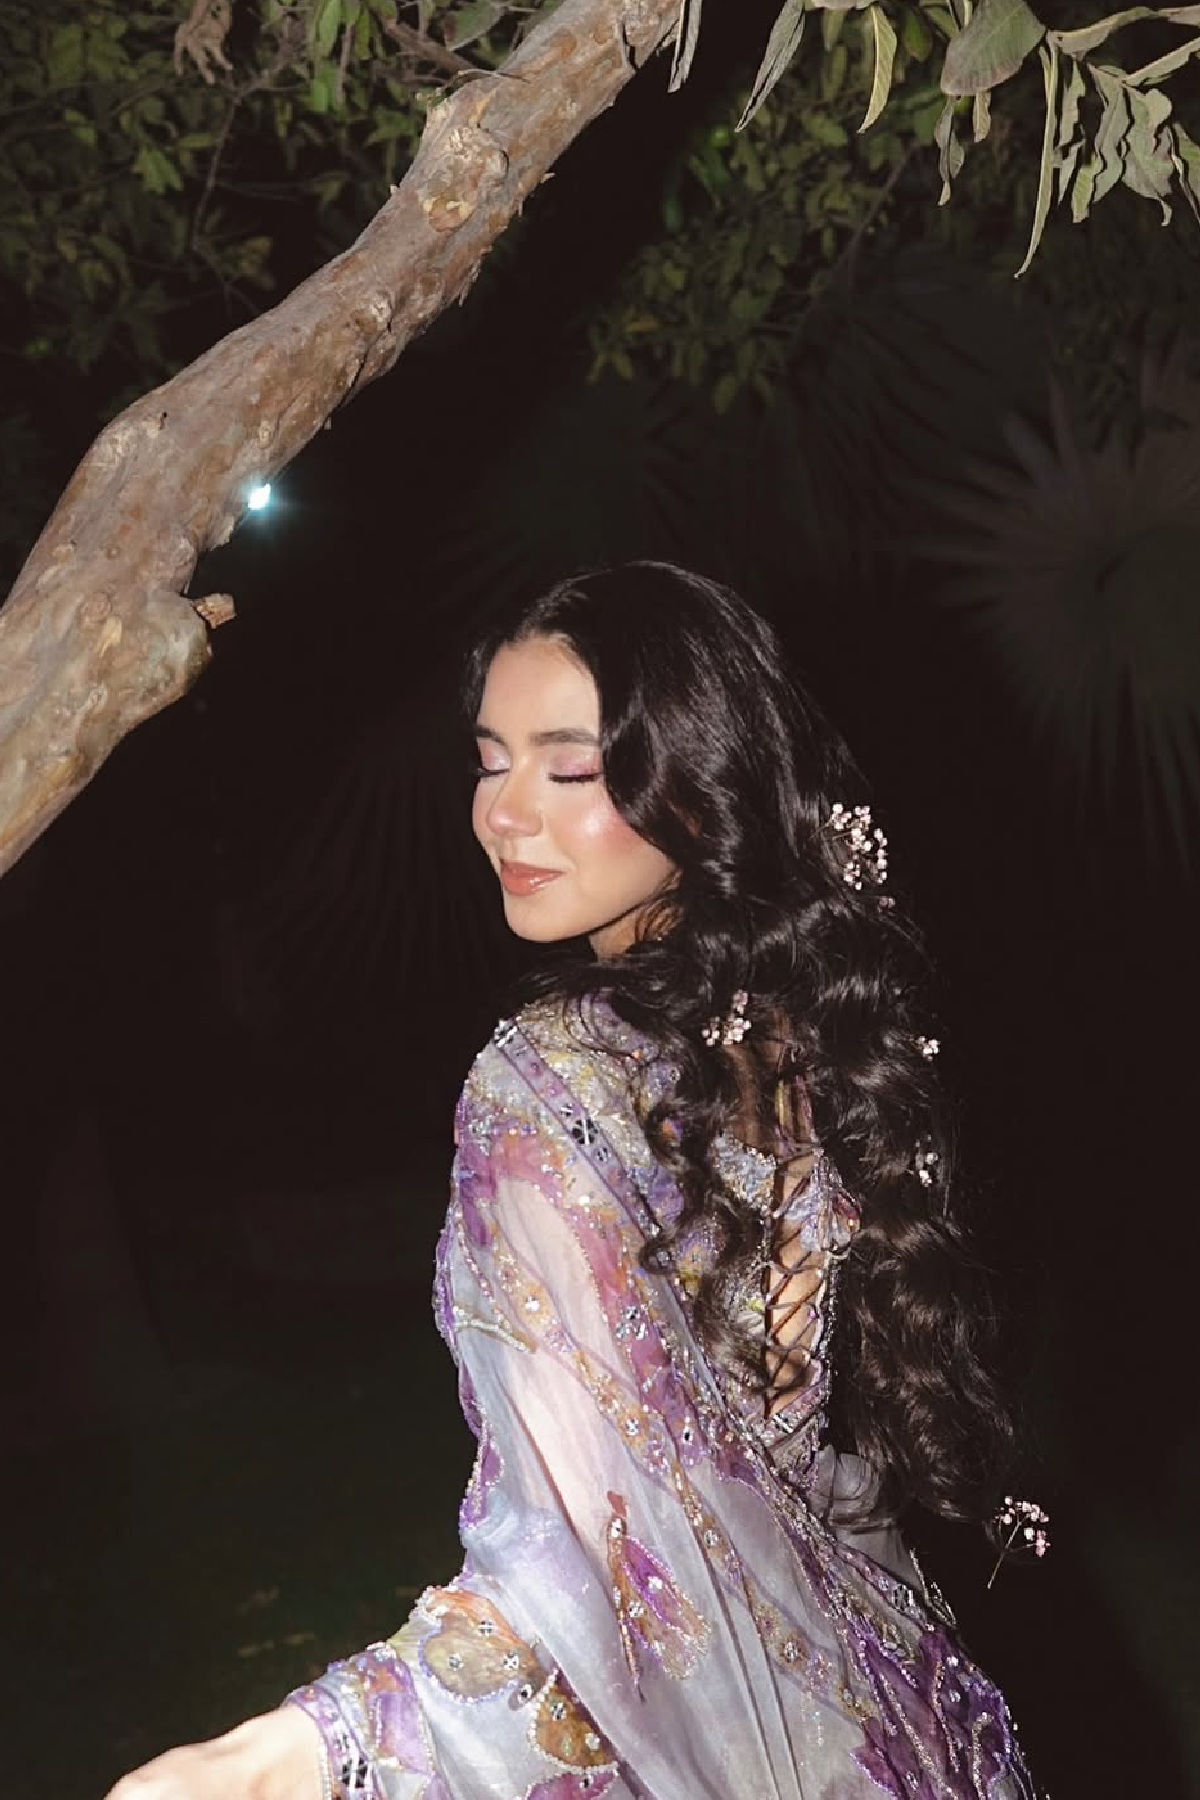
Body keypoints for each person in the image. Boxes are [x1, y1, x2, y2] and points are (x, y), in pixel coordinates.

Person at [107, 563, 1039, 1799]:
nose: (503, 813)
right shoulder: (809, 1026)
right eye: (490, 761)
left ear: (698, 781)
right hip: (906, 1726)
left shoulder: (552, 1087)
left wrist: (294, 1751)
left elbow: (597, 1574)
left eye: (571, 770)